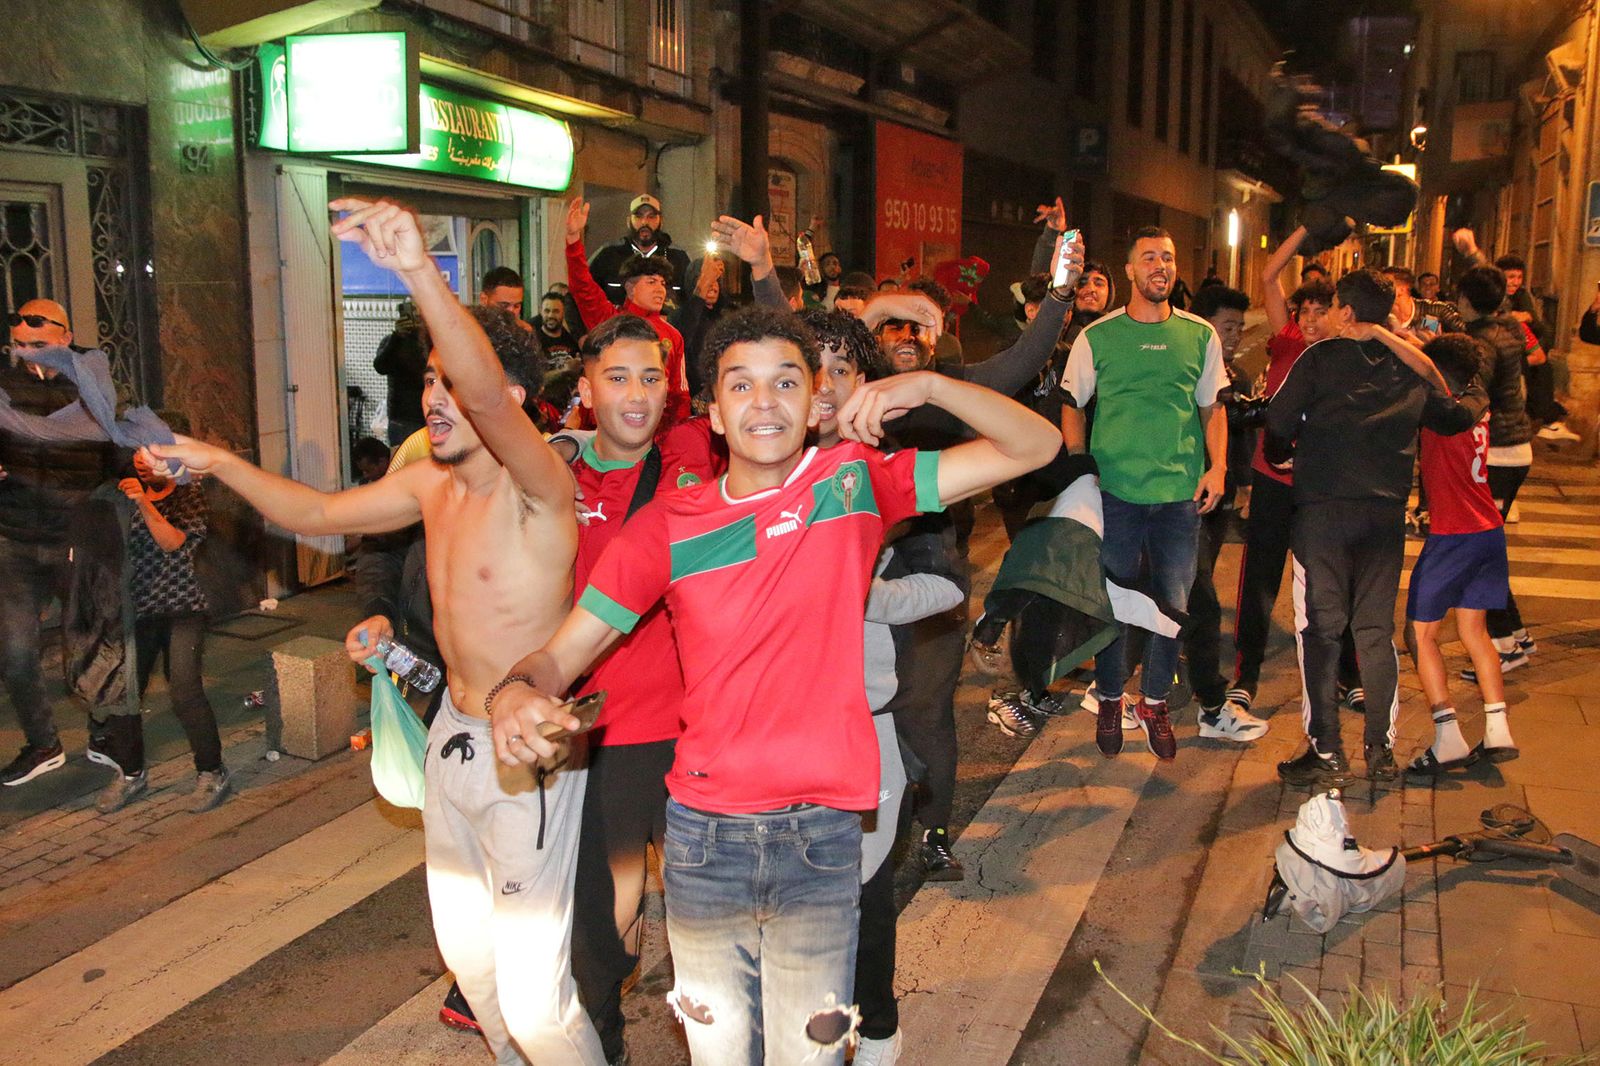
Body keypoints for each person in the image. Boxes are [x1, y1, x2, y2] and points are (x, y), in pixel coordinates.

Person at [488, 305, 1061, 1066]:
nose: (765, 402)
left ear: (815, 399)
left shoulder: (852, 486)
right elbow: (559, 658)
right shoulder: (667, 525)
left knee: (810, 1054)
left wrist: (927, 385)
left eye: (785, 382)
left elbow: (1036, 444)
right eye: (742, 386)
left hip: (823, 835)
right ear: (713, 414)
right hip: (703, 841)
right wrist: (513, 693)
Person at [152, 196, 605, 1065]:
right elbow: (320, 512)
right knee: (473, 969)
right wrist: (219, 462)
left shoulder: (540, 489)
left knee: (536, 1001)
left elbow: (485, 389)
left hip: (529, 755)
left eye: (449, 381)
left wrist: (417, 270)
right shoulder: (430, 484)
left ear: (510, 401)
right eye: (427, 380)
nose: (434, 396)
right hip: (452, 739)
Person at [858, 227, 1080, 877]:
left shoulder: (954, 386)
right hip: (853, 566)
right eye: (893, 326)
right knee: (862, 705)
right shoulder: (849, 388)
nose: (906, 337)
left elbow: (1024, 357)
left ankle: (934, 832)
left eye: (919, 327)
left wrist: (1059, 293)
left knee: (927, 709)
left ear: (937, 341)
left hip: (931, 564)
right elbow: (803, 342)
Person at [563, 314, 720, 1065]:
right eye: (618, 377)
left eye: (651, 377)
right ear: (586, 388)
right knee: (603, 927)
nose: (636, 394)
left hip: (699, 733)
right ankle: (606, 1049)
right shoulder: (554, 471)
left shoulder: (698, 452)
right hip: (603, 738)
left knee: (711, 925)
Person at [1268, 269, 1480, 787]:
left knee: (1320, 631)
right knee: (1375, 632)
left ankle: (1326, 750)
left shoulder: (1319, 359)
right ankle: (1379, 751)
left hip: (1322, 515)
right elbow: (1453, 414)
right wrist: (1477, 391)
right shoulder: (1409, 366)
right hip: (1384, 516)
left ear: (1345, 311)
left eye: (1333, 307)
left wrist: (1282, 454)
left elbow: (1277, 422)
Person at [1061, 226, 1228, 762]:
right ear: (1130, 270)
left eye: (1169, 257)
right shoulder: (1098, 337)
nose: (1161, 266)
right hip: (1116, 493)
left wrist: (1218, 467)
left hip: (1180, 495)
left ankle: (1154, 702)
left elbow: (1212, 407)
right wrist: (1081, 470)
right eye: (1150, 257)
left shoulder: (1200, 335)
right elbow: (1072, 405)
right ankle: (1111, 698)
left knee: (1172, 607)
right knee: (1115, 603)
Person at [1227, 227, 1361, 725]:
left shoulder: (1347, 356)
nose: (1309, 319)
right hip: (1272, 483)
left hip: (1322, 489)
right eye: (1303, 310)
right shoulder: (1285, 343)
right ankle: (1245, 676)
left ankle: (1349, 673)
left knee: (1334, 582)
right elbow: (1268, 275)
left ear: (1340, 316)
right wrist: (1306, 228)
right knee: (1259, 581)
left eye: (1320, 311)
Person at [0, 300, 124, 787]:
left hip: (75, 537)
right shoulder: (5, 385)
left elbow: (119, 451)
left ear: (65, 337)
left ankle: (105, 732)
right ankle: (43, 743)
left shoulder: (93, 383)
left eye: (38, 341)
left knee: (89, 644)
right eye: (20, 343)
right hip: (15, 537)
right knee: (14, 651)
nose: (28, 351)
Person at [1400, 334, 1515, 774]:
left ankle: (1448, 736)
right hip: (1489, 530)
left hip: (1453, 535)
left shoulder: (1441, 410)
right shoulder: (1475, 399)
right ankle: (1498, 728)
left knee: (1420, 634)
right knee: (1474, 632)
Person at [93, 446, 230, 813]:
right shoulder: (121, 496)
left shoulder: (189, 495)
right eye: (137, 455)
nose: (142, 462)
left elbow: (172, 543)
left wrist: (143, 503)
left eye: (149, 455)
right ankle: (131, 774)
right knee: (124, 693)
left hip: (184, 607)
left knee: (184, 689)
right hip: (137, 612)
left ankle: (212, 771)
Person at [1180, 284, 1270, 742]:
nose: (1234, 336)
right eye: (1227, 326)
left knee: (1196, 590)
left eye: (1239, 328)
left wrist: (1244, 484)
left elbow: (1243, 438)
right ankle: (1210, 701)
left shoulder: (1237, 373)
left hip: (1218, 495)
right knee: (1199, 597)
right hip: (1182, 496)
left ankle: (1169, 682)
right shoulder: (1188, 367)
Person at [1453, 261, 1537, 678]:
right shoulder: (1508, 328)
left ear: (1466, 300)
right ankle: (1517, 634)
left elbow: (1475, 393)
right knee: (1489, 549)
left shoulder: (1482, 342)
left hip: (1497, 454)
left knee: (1480, 555)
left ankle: (1505, 647)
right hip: (1516, 449)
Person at [566, 197, 691, 425]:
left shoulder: (673, 335)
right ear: (631, 288)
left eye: (663, 283)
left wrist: (675, 437)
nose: (660, 290)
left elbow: (679, 396)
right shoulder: (609, 320)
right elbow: (582, 286)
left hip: (655, 433)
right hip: (606, 428)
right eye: (651, 282)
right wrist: (573, 240)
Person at [586, 194, 693, 308]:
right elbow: (583, 292)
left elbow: (693, 303)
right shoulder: (608, 254)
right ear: (629, 221)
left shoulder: (679, 257)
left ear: (661, 221)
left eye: (651, 217)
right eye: (638, 216)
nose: (644, 222)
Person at [374, 301, 429, 445]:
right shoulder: (392, 342)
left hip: (422, 414)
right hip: (401, 418)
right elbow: (380, 366)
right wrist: (396, 337)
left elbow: (422, 371)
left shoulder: (428, 342)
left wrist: (419, 335)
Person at [538, 291, 582, 374]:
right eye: (547, 311)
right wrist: (564, 370)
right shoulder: (533, 342)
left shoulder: (572, 340)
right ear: (541, 311)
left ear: (563, 312)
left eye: (556, 311)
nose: (551, 315)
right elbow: (537, 378)